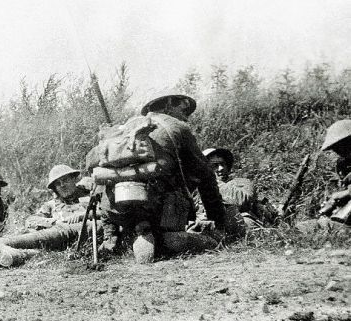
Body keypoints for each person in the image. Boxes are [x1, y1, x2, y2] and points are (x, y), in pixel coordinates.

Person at [86, 93, 228, 263]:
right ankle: (164, 239)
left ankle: (116, 239)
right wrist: (220, 224)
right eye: (183, 108)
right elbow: (206, 177)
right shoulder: (178, 127)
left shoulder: (125, 127)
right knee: (205, 237)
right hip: (161, 210)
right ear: (168, 104)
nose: (186, 116)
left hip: (116, 209)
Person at [296, 120, 351, 234]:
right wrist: (333, 202)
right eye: (336, 148)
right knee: (304, 227)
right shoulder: (343, 165)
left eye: (342, 146)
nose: (339, 151)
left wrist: (344, 194)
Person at [200, 148, 277, 229]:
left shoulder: (241, 182)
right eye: (215, 165)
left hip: (237, 225)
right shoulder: (197, 189)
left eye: (223, 164)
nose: (221, 168)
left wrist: (213, 183)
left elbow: (243, 199)